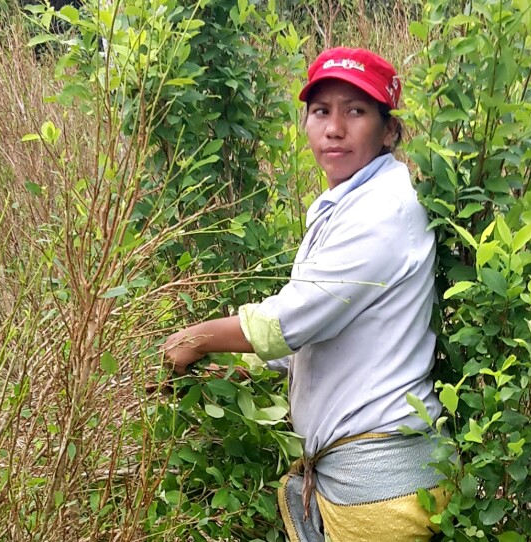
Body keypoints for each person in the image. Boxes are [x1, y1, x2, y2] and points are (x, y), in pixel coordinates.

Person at [163, 47, 446, 542]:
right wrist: (232, 368)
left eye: (355, 111)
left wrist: (198, 337)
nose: (334, 128)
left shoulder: (381, 212)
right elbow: (324, 334)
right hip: (367, 487)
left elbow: (290, 320)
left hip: (377, 494)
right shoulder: (354, 200)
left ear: (388, 130)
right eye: (321, 111)